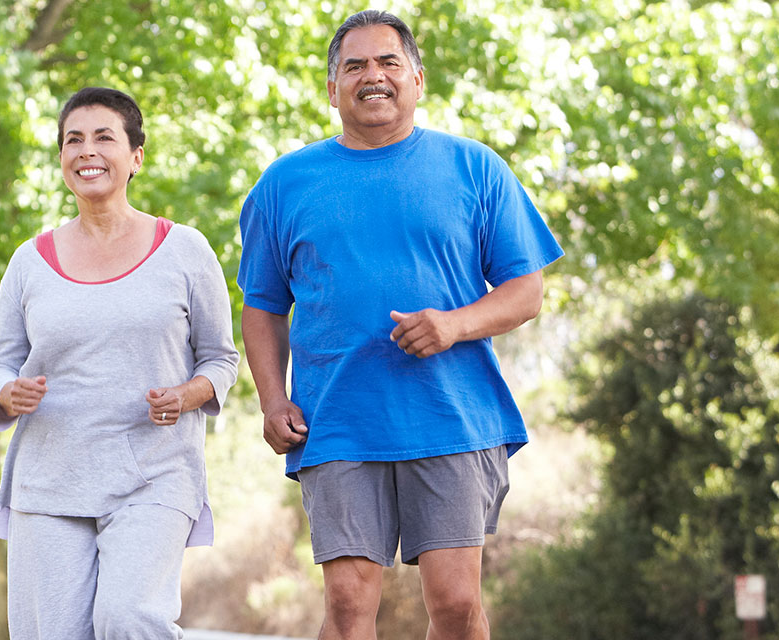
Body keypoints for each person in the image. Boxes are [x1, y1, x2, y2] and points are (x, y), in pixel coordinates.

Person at [235, 10, 564, 640]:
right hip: (336, 418)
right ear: (332, 90)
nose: (372, 76)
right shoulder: (284, 184)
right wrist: (273, 399)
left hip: (450, 412)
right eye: (353, 66)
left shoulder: (475, 168)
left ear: (417, 78)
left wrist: (454, 325)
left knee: (456, 602)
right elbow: (263, 306)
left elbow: (526, 292)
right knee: (349, 604)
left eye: (388, 62)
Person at [0, 86, 241, 640]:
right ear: (61, 159)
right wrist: (8, 392)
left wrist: (187, 395)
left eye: (104, 137)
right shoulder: (29, 262)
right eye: (73, 140)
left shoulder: (186, 250)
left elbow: (221, 358)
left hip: (153, 471)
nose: (86, 150)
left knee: (129, 618)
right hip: (51, 476)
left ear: (135, 157)